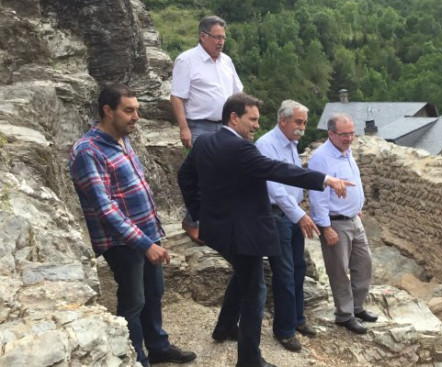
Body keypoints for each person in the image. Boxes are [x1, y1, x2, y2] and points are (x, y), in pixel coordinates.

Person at [177, 93, 352, 367]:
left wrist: (200, 214)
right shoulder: (242, 149)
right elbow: (277, 170)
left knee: (243, 276)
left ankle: (224, 328)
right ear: (234, 118)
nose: (257, 125)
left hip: (219, 229)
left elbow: (184, 176)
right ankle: (249, 359)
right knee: (255, 291)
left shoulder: (205, 142)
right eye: (253, 119)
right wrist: (325, 179)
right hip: (244, 232)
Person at [69, 84, 196, 367]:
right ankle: (135, 358)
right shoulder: (87, 151)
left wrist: (151, 237)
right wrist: (144, 243)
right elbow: (105, 208)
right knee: (133, 301)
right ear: (107, 111)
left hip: (147, 234)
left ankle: (158, 346)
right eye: (129, 110)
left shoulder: (122, 139)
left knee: (154, 292)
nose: (136, 116)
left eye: (137, 110)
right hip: (122, 243)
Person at [170, 15, 243, 244]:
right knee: (204, 175)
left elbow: (237, 95)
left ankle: (214, 221)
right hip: (199, 126)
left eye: (223, 37)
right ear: (203, 36)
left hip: (224, 126)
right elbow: (177, 97)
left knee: (225, 175)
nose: (221, 42)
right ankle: (192, 222)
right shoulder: (187, 60)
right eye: (217, 37)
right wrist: (184, 128)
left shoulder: (226, 61)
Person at [254, 100, 318, 352]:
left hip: (291, 214)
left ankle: (298, 318)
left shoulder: (291, 144)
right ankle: (284, 330)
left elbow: (294, 180)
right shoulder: (266, 145)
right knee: (284, 274)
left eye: (304, 123)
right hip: (278, 216)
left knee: (298, 269)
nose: (302, 128)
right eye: (298, 122)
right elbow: (275, 189)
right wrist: (300, 215)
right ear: (283, 120)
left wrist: (299, 212)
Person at [308, 113, 378, 335]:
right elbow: (317, 195)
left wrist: (356, 206)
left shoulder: (345, 151)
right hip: (335, 223)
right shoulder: (321, 158)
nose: (349, 138)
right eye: (344, 134)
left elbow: (351, 181)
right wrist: (326, 227)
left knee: (363, 264)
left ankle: (357, 307)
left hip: (353, 219)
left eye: (352, 133)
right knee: (338, 271)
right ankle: (344, 315)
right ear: (331, 134)